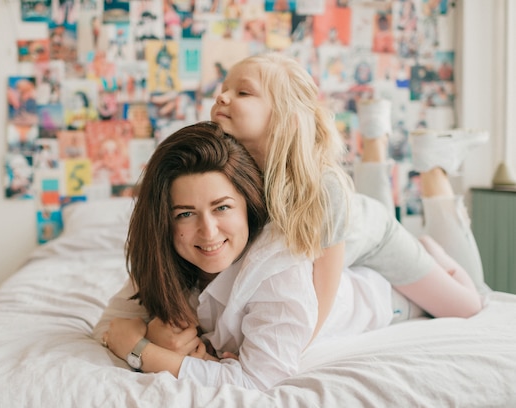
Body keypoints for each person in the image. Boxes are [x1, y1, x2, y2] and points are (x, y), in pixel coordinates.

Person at [96, 118, 485, 391]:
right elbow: (108, 326)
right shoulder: (168, 258)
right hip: (355, 236)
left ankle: (434, 185)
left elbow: (255, 382)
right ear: (163, 222)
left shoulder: (275, 272)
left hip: (385, 295)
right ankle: (383, 146)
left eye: (222, 208)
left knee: (473, 293)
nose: (208, 232)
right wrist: (147, 330)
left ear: (248, 205)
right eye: (185, 214)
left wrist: (142, 350)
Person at [208, 53, 485, 340]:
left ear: (284, 118)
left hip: (377, 239)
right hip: (357, 220)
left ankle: (432, 252)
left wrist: (298, 342)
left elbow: (324, 288)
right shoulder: (227, 174)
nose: (223, 97)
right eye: (224, 88)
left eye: (242, 92)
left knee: (469, 305)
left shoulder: (323, 187)